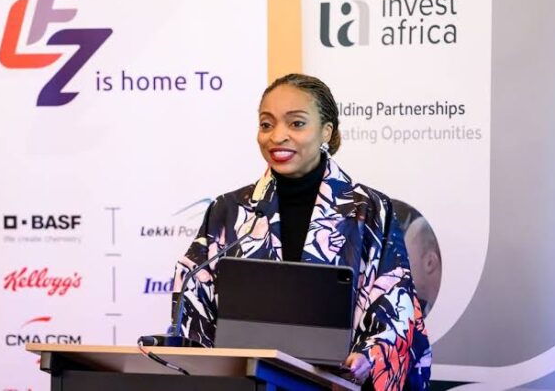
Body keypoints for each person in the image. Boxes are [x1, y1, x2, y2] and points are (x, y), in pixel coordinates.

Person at [173, 73, 432, 390]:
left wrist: (369, 356)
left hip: (336, 384)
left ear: (327, 131)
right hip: (247, 383)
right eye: (266, 124)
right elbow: (193, 295)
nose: (277, 136)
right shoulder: (228, 210)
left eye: (296, 123)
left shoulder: (369, 210)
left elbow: (397, 306)